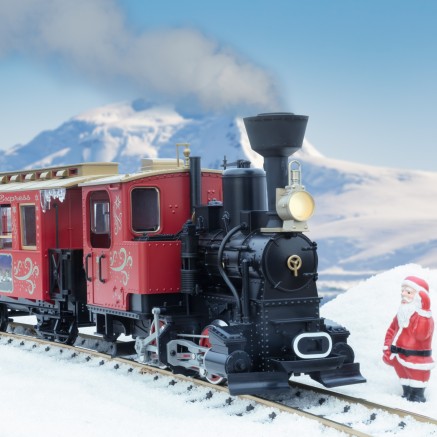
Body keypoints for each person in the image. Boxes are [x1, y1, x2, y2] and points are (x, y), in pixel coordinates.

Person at [383, 276, 434, 402]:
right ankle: (406, 396)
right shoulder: (402, 314)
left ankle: (417, 399)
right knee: (405, 385)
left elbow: (421, 335)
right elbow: (391, 330)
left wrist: (424, 311)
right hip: (399, 358)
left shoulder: (424, 318)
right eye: (403, 291)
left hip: (416, 360)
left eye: (408, 292)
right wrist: (387, 347)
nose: (403, 294)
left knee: (416, 387)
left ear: (420, 297)